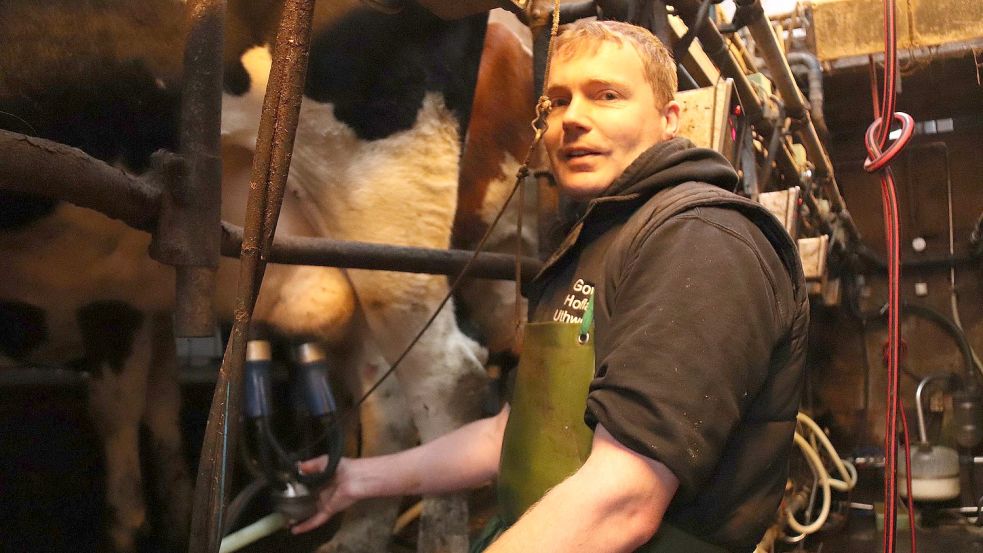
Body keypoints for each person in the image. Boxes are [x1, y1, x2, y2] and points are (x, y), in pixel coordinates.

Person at [292, 19, 808, 553]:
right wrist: (361, 479)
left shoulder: (700, 238)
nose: (573, 119)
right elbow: (510, 435)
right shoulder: (587, 244)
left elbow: (623, 502)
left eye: (606, 95)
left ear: (669, 119)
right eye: (557, 101)